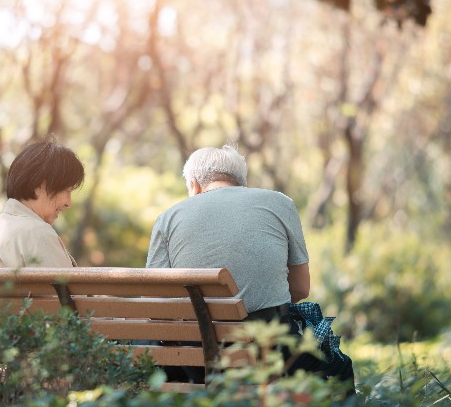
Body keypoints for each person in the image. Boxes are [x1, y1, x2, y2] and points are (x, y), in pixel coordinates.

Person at [146, 144, 354, 391]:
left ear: (194, 184)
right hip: (269, 349)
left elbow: (156, 303)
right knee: (340, 366)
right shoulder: (279, 203)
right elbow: (300, 288)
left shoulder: (167, 218)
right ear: (241, 182)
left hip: (194, 357)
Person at [0, 137, 84, 268]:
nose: (69, 203)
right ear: (40, 185)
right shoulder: (38, 233)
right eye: (67, 190)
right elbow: (64, 288)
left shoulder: (0, 228)